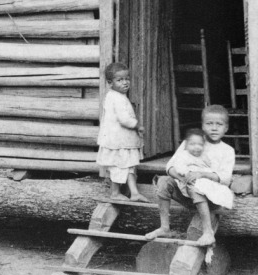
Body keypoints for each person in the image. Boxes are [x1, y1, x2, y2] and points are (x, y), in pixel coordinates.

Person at [146, 105, 235, 246]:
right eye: (209, 124)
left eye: (219, 124)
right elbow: (169, 166)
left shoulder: (227, 150)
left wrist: (201, 174)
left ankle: (208, 232)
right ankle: (164, 227)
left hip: (212, 199)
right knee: (163, 181)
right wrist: (182, 178)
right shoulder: (193, 142)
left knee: (197, 184)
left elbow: (225, 178)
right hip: (187, 193)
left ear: (226, 128)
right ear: (203, 126)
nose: (214, 128)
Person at [96, 62, 148, 202]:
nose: (125, 83)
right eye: (120, 80)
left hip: (124, 142)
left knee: (129, 165)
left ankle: (134, 193)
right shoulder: (115, 98)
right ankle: (115, 193)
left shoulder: (119, 96)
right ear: (109, 82)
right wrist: (137, 125)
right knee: (119, 166)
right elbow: (124, 119)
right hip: (118, 142)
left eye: (127, 79)